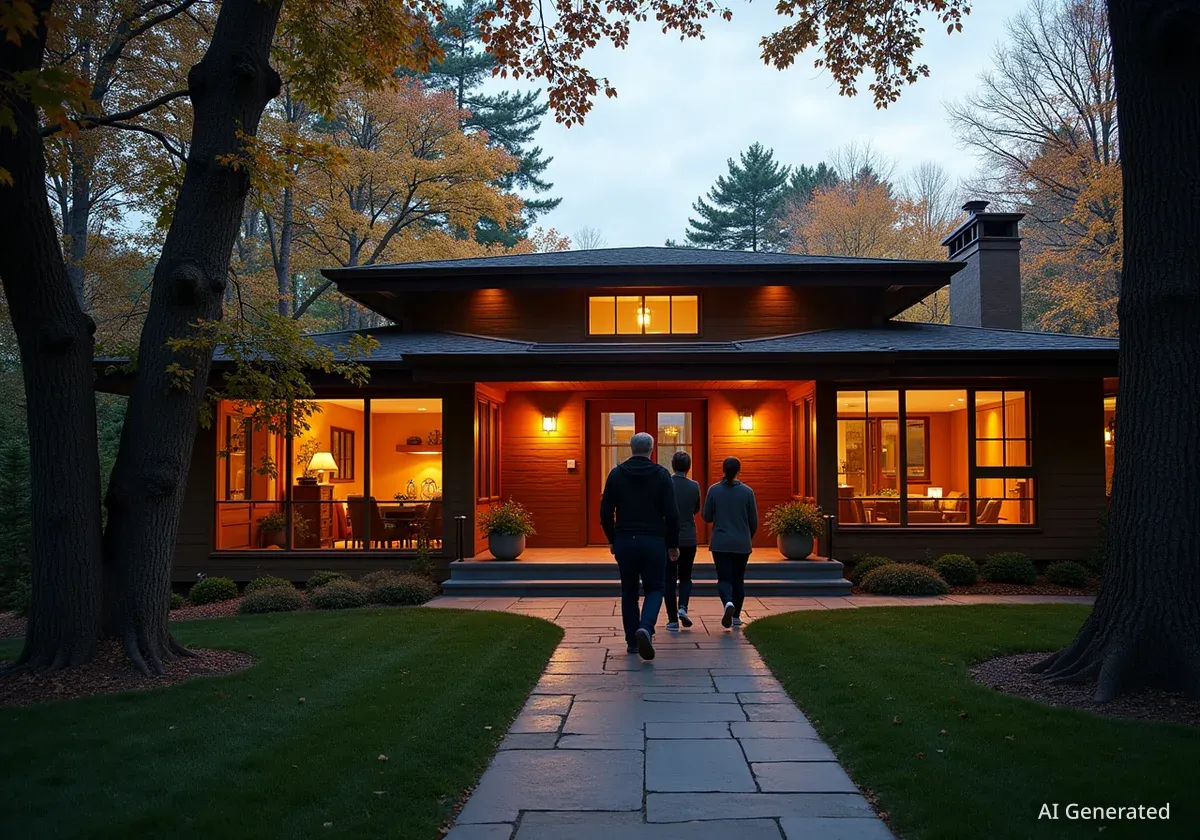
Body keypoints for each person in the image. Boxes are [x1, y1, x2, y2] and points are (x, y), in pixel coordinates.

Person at [600, 432, 680, 660]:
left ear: (630, 448)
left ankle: (632, 642)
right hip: (654, 541)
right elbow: (672, 515)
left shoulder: (616, 475)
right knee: (656, 587)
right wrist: (673, 544)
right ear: (651, 449)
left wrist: (612, 539)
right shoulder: (662, 475)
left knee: (629, 591)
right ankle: (646, 626)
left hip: (626, 539)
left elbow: (605, 512)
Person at [702, 456, 759, 629]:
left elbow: (706, 516)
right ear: (739, 471)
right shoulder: (747, 492)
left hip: (721, 542)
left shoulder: (714, 490)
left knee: (724, 577)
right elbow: (753, 520)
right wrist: (748, 536)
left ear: (723, 469)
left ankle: (727, 602)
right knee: (738, 579)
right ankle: (736, 616)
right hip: (742, 542)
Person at [665, 450, 700, 631]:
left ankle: (672, 620)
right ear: (688, 467)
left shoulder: (666, 484)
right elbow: (696, 508)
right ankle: (683, 607)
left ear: (673, 465)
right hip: (689, 537)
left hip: (669, 538)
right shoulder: (694, 486)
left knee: (669, 578)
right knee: (685, 576)